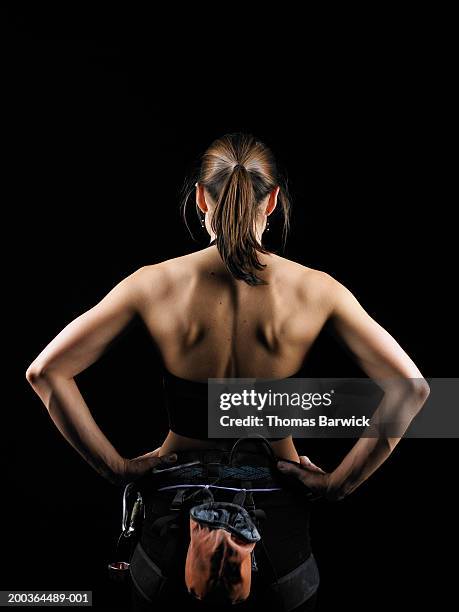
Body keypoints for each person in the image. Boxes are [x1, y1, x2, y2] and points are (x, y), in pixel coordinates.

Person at [25, 133, 430, 611]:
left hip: (171, 520)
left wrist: (117, 468)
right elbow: (413, 390)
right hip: (276, 525)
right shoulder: (317, 291)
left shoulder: (152, 284)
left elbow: (45, 372)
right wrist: (338, 482)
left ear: (201, 198)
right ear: (273, 201)